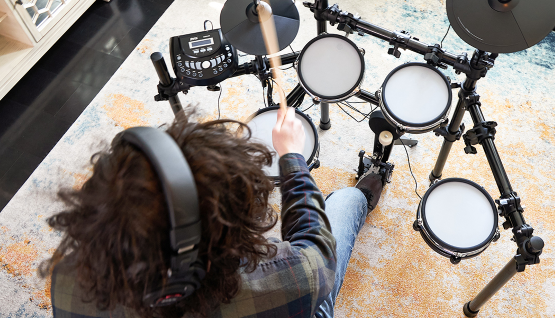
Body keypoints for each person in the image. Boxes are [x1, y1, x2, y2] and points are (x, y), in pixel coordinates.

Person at [45, 107, 385, 318]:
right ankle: (362, 195)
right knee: (343, 204)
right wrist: (292, 158)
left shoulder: (68, 281)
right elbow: (318, 253)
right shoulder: (289, 283)